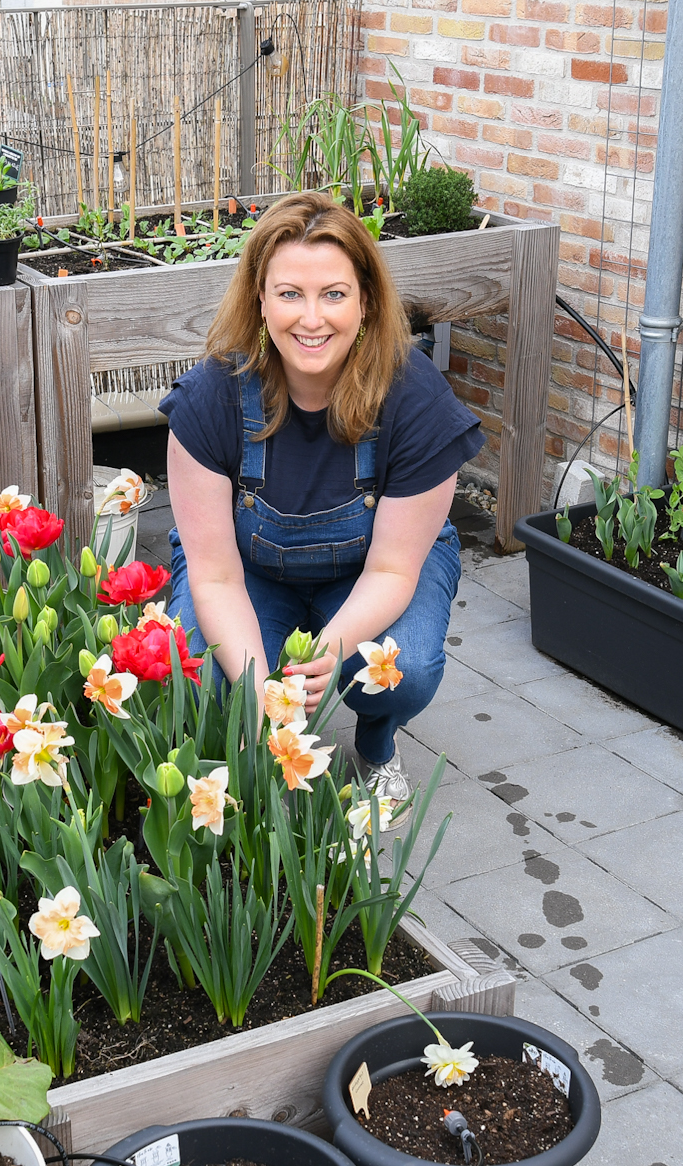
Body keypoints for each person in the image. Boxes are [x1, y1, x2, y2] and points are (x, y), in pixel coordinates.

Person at [161, 191, 483, 806]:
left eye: (333, 293)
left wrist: (329, 655)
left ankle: (375, 747)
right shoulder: (210, 399)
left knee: (402, 669)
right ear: (260, 300)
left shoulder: (416, 400)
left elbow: (393, 567)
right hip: (249, 573)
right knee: (205, 674)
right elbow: (215, 576)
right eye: (290, 294)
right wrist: (257, 686)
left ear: (365, 301)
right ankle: (249, 746)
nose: (312, 319)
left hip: (372, 571)